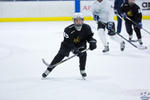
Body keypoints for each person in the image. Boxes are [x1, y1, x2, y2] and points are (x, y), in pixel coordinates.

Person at [42, 13, 97, 79]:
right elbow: (67, 42)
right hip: (67, 44)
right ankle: (48, 70)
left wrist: (92, 42)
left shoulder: (87, 27)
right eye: (76, 20)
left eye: (80, 20)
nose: (78, 22)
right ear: (73, 21)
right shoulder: (68, 29)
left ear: (83, 20)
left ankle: (82, 70)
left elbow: (89, 37)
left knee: (83, 54)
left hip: (80, 44)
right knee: (60, 55)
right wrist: (74, 49)